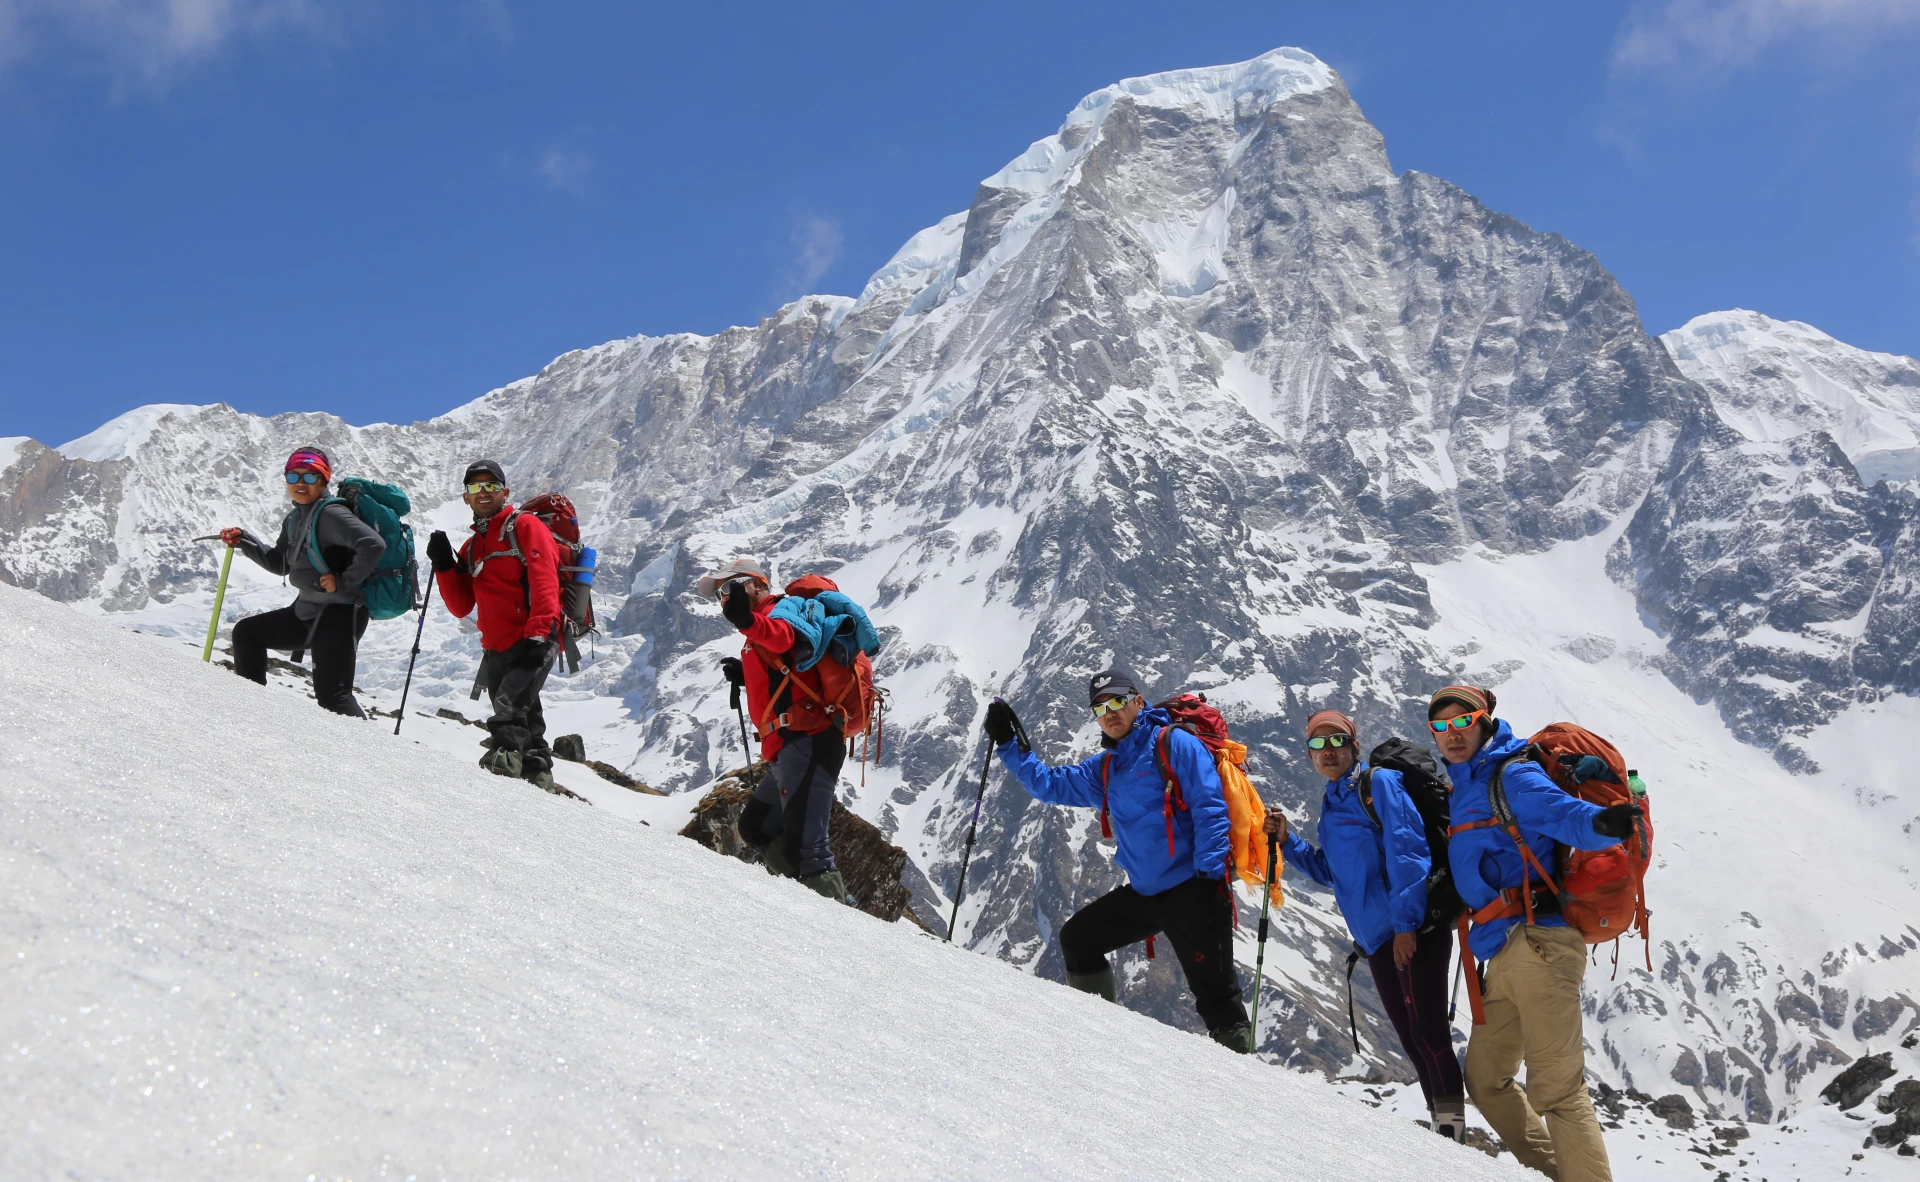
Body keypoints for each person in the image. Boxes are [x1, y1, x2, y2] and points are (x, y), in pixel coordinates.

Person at [1432, 685, 1640, 1182]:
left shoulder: (1514, 774)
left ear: (1484, 721)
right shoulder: (1466, 785)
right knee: (1485, 1081)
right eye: (1440, 727)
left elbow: (1568, 816)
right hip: (1500, 954)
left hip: (1539, 945)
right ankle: (1560, 1174)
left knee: (1558, 1091)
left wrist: (1605, 824)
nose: (1452, 735)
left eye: (1463, 722)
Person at [983, 669, 1250, 1053]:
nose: (1110, 713)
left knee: (1218, 1000)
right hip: (1145, 894)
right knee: (1079, 940)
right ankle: (1098, 1043)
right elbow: (1049, 784)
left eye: (1117, 701)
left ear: (1138, 702)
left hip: (1195, 889)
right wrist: (1010, 744)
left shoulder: (1174, 745)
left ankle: (1249, 1096)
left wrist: (1209, 881)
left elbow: (1211, 809)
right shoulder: (1107, 767)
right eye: (1099, 707)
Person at [1263, 709, 1466, 1140]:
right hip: (1376, 940)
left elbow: (1408, 850)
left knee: (1429, 1032)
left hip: (1412, 930)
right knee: (1413, 1040)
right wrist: (1289, 842)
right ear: (1309, 757)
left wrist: (1407, 924)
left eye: (1337, 741)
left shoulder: (1379, 785)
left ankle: (1453, 1134)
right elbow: (1333, 871)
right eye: (1318, 745)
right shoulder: (1333, 802)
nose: (1328, 751)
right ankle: (1442, 1132)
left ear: (1354, 746)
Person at [700, 557, 848, 903]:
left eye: (730, 588)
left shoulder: (780, 611)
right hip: (791, 747)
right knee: (757, 827)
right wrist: (747, 675)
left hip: (810, 740)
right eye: (719, 593)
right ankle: (803, 901)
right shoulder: (760, 624)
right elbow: (786, 671)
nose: (724, 597)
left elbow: (782, 638)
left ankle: (839, 934)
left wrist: (747, 620)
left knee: (810, 851)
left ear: (758, 585)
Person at [425, 461, 563, 794]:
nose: (483, 492)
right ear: (466, 498)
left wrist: (540, 634)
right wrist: (444, 565)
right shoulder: (473, 547)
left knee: (509, 705)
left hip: (534, 638)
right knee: (527, 721)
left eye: (490, 486)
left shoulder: (525, 526)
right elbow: (461, 606)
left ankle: (499, 783)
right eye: (475, 488)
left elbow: (545, 578)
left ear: (505, 492)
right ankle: (539, 788)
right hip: (496, 646)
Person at [221, 446, 384, 718]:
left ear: (323, 481)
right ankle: (252, 716)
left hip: (340, 614)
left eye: (310, 477)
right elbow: (280, 563)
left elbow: (373, 545)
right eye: (293, 476)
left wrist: (342, 581)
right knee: (247, 634)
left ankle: (369, 758)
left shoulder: (332, 514)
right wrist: (244, 540)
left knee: (334, 695)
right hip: (308, 611)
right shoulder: (296, 517)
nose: (300, 483)